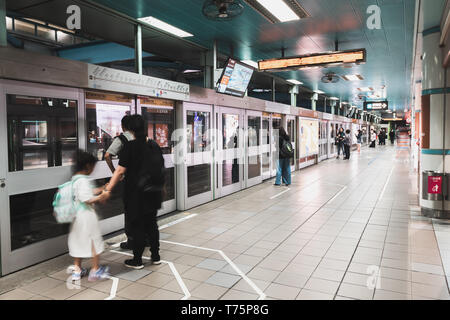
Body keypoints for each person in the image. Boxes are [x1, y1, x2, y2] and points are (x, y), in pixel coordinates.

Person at [102, 115, 163, 269]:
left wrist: (108, 189)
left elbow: (120, 170)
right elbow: (161, 170)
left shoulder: (131, 146)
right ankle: (155, 256)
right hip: (153, 193)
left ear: (129, 129)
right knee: (152, 224)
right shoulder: (154, 145)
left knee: (137, 226)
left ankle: (137, 260)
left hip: (136, 194)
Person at [68, 151, 110, 282]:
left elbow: (82, 194)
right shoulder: (84, 180)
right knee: (94, 241)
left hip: (77, 217)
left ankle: (77, 270)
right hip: (87, 216)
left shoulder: (75, 179)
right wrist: (102, 196)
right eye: (93, 167)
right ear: (87, 166)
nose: (93, 170)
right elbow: (87, 198)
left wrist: (101, 188)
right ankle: (96, 270)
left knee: (78, 241)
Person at [104, 115, 136, 250]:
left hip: (129, 181)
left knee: (130, 210)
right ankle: (144, 238)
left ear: (123, 126)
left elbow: (107, 155)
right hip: (143, 180)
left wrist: (114, 172)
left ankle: (132, 241)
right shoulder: (142, 138)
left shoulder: (121, 139)